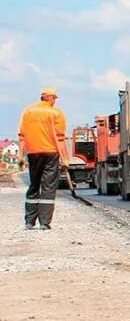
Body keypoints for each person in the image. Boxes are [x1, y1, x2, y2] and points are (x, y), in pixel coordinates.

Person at [17, 88, 67, 230]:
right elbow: (60, 138)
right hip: (51, 153)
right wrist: (65, 159)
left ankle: (29, 221)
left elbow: (22, 136)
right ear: (50, 98)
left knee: (34, 185)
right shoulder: (56, 113)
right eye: (55, 99)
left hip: (33, 152)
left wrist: (21, 156)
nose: (55, 101)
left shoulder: (28, 112)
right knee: (48, 187)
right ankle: (44, 222)